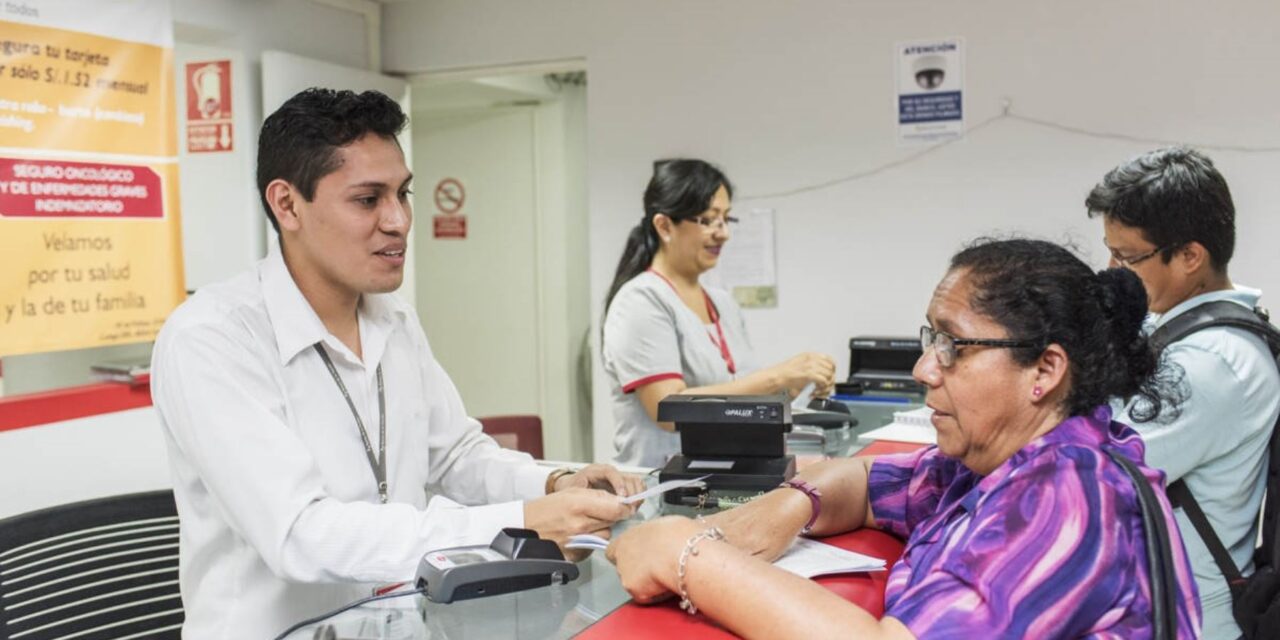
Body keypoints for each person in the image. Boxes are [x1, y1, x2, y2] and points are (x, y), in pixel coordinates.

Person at [151, 88, 641, 638]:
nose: (399, 221)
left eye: (403, 193)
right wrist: (522, 520)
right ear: (287, 204)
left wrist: (554, 484)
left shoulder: (394, 320)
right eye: (368, 199)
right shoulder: (213, 338)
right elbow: (300, 534)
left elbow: (455, 456)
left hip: (398, 624)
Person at [608, 238, 1202, 639]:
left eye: (954, 346)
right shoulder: (997, 460)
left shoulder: (1068, 493)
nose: (924, 369)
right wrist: (795, 504)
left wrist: (686, 556)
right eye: (930, 339)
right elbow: (868, 483)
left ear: (1044, 372)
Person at [1087, 147, 1280, 639]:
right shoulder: (1180, 331)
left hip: (1183, 619)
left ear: (1191, 256)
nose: (1113, 269)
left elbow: (1095, 473)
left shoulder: (1210, 360)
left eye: (1128, 256)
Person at [602, 159, 836, 468]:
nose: (723, 233)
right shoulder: (641, 300)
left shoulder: (722, 302)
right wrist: (775, 377)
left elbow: (738, 399)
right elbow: (666, 410)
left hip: (725, 476)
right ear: (664, 226)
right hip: (660, 483)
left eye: (726, 219)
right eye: (709, 220)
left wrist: (790, 386)